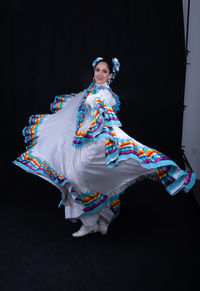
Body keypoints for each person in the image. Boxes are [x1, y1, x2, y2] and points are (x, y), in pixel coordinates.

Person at [13, 57, 196, 237]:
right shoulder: (91, 90)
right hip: (84, 142)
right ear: (94, 72)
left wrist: (94, 112)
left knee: (79, 176)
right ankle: (101, 220)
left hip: (98, 145)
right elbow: (79, 111)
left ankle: (92, 222)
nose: (100, 74)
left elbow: (103, 114)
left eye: (104, 71)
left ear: (110, 75)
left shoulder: (104, 94)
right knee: (81, 178)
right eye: (98, 70)